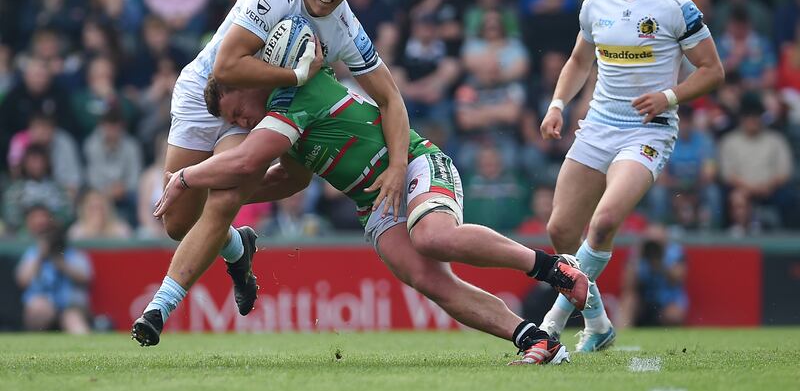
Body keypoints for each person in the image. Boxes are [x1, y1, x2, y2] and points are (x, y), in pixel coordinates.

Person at [132, 67, 590, 366]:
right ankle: (535, 339)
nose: (244, 123)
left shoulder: (295, 94)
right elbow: (292, 179)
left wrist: (188, 177)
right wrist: (225, 197)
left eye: (238, 112)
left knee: (433, 237)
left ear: (247, 86)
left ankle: (552, 268)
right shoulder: (276, 122)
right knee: (428, 279)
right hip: (372, 200)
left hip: (410, 161)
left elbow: (249, 158)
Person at [158, 0, 412, 322]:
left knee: (224, 198)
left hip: (254, 112)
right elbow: (227, 66)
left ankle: (158, 310)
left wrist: (398, 166)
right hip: (203, 94)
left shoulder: (346, 28)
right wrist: (296, 77)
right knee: (178, 223)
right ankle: (237, 249)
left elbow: (390, 98)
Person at [538, 0, 725, 352]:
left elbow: (714, 71)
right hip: (599, 124)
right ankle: (599, 324)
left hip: (648, 130)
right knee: (562, 230)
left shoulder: (675, 7)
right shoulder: (595, 4)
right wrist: (557, 105)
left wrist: (669, 96)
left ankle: (551, 324)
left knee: (602, 224)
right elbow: (579, 62)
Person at [16, 218, 93, 334]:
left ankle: (88, 351)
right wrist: (40, 255)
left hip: (68, 306)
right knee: (39, 307)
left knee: (74, 320)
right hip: (43, 304)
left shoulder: (71, 253)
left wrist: (61, 263)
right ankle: (35, 347)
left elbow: (85, 277)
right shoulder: (34, 253)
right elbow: (22, 280)